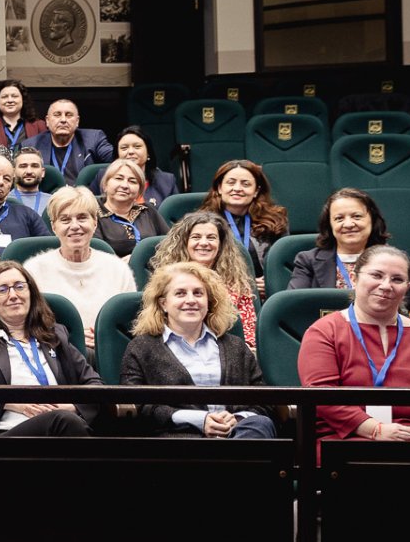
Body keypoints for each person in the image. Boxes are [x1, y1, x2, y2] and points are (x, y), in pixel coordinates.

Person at [297, 246, 410, 442]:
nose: (386, 286)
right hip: (348, 441)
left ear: (407, 288)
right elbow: (323, 395)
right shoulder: (324, 332)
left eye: (397, 279)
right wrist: (375, 430)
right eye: (376, 275)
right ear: (354, 278)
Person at [0, 260, 99, 436]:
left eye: (19, 287)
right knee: (64, 423)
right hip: (3, 432)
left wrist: (72, 407)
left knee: (66, 422)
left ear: (31, 292)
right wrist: (9, 402)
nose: (13, 295)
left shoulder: (54, 335)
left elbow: (94, 385)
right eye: (2, 290)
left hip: (62, 425)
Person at [121, 262, 276, 439]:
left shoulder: (235, 346)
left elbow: (263, 400)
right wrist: (200, 420)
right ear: (163, 304)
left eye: (198, 293)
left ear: (208, 302)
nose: (191, 300)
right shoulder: (141, 348)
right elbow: (137, 405)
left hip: (240, 433)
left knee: (260, 424)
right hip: (179, 437)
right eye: (180, 293)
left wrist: (237, 418)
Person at [287, 188, 410, 317]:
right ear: (329, 225)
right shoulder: (308, 261)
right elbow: (292, 307)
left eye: (357, 216)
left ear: (372, 220)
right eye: (339, 218)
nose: (348, 224)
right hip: (331, 337)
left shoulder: (397, 260)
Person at [23, 185, 135, 355]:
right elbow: (28, 324)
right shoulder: (34, 270)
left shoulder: (118, 268)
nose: (75, 226)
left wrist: (104, 337)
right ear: (54, 227)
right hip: (56, 354)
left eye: (82, 218)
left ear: (95, 222)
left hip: (110, 353)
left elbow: (130, 324)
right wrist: (70, 336)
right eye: (65, 220)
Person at [151, 211, 260, 347]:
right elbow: (155, 322)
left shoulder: (236, 282)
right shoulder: (166, 280)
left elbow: (249, 332)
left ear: (220, 244)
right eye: (196, 237)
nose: (204, 243)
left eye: (211, 238)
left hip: (229, 350)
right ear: (185, 242)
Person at [197, 158, 287, 291]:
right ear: (220, 188)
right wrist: (240, 286)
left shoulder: (275, 220)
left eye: (246, 184)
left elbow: (283, 263)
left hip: (266, 293)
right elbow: (197, 267)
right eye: (231, 183)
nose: (237, 188)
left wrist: (272, 282)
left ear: (256, 191)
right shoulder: (202, 223)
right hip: (219, 292)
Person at [87, 157, 169, 259]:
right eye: (119, 178)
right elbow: (95, 254)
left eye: (132, 181)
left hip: (154, 266)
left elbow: (170, 244)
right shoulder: (92, 212)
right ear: (105, 185)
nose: (125, 185)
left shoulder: (148, 210)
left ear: (139, 191)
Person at [34, 98, 112, 181]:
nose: (63, 120)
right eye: (57, 115)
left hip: (83, 189)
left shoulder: (93, 138)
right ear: (47, 121)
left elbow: (115, 159)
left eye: (69, 115)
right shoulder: (33, 144)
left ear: (77, 121)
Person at [114, 126, 178, 204]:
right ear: (117, 155)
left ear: (148, 153)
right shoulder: (104, 179)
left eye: (137, 147)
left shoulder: (166, 181)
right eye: (124, 148)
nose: (130, 151)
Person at [0, 80, 46, 154]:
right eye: (4, 97)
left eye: (14, 96)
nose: (10, 100)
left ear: (23, 100)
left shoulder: (40, 126)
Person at [8, 147, 51, 216]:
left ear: (43, 172)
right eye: (23, 166)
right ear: (13, 172)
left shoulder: (53, 201)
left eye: (34, 166)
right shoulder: (3, 201)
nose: (29, 171)